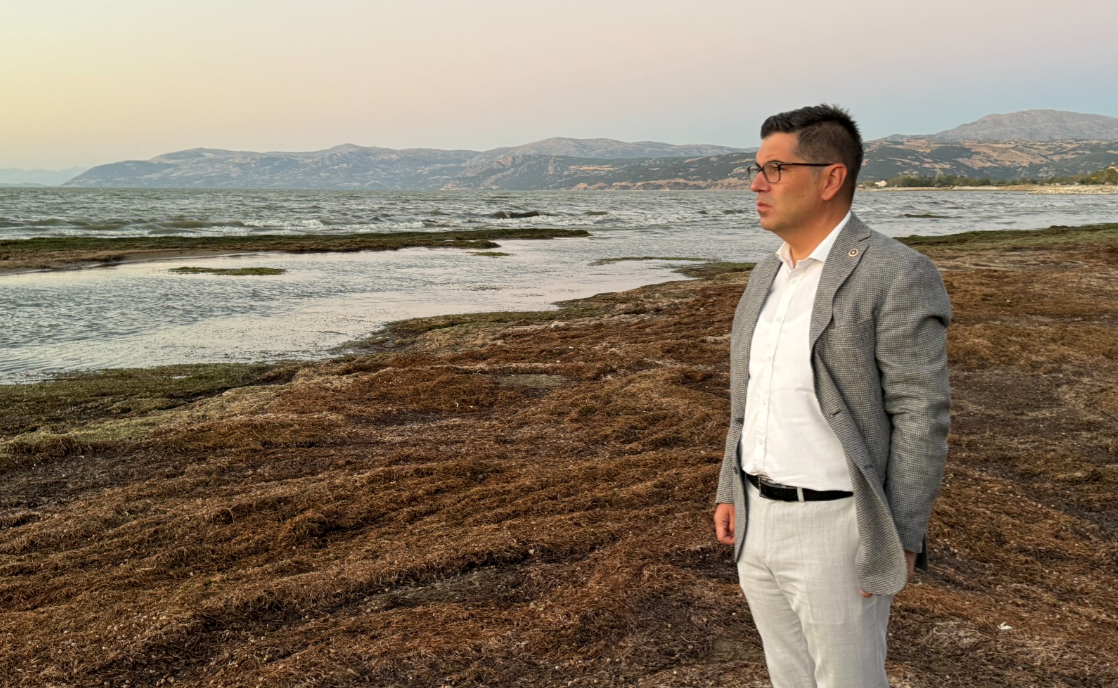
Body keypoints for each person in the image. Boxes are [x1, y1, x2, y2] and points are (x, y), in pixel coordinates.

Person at [712, 104, 951, 688]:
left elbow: (921, 412)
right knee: (787, 678)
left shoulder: (896, 272)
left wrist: (899, 534)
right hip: (755, 518)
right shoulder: (765, 274)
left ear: (831, 178)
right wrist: (729, 489)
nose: (756, 184)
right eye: (757, 167)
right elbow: (750, 398)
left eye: (775, 169)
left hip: (839, 526)